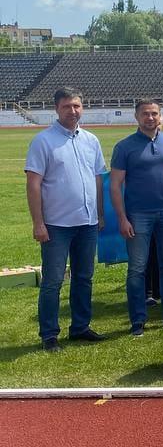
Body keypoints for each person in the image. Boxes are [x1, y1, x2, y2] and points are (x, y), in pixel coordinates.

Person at [24, 86, 107, 351]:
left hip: (87, 223)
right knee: (53, 282)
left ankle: (80, 327)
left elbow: (98, 179)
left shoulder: (91, 140)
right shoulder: (43, 141)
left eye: (76, 106)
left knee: (84, 278)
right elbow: (33, 184)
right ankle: (49, 334)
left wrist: (100, 214)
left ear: (83, 107)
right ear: (56, 109)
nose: (73, 111)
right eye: (67, 106)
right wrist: (38, 223)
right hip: (56, 225)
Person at [111, 99, 163, 335]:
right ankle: (138, 318)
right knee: (137, 267)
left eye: (154, 113)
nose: (150, 118)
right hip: (138, 215)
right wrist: (122, 218)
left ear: (160, 116)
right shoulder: (124, 147)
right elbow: (115, 185)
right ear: (136, 117)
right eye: (145, 114)